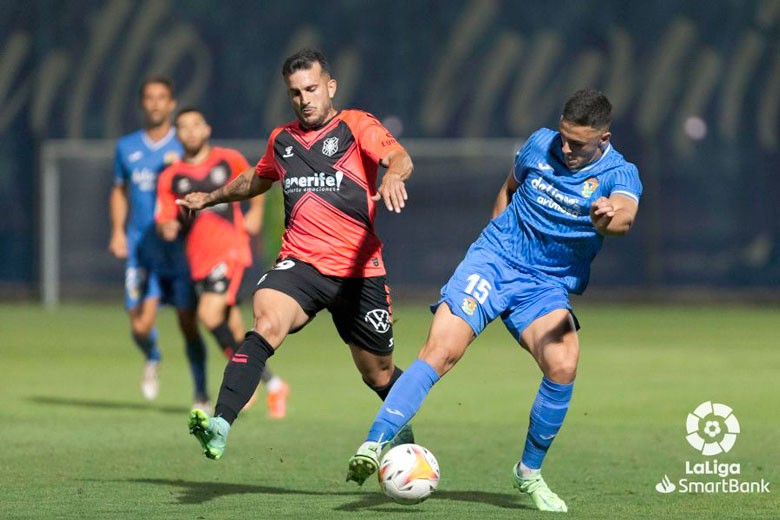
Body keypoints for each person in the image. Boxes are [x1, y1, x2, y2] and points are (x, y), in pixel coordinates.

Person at [346, 89, 642, 513]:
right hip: (494, 262)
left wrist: (607, 217)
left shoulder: (620, 173)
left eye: (577, 143)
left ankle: (529, 474)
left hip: (544, 283)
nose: (566, 148)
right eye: (563, 137)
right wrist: (494, 244)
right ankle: (374, 443)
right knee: (441, 351)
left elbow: (625, 215)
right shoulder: (540, 144)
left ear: (604, 138)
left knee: (564, 363)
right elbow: (508, 188)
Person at [176, 48, 415, 460]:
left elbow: (398, 157)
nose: (305, 99)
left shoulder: (356, 126)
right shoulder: (282, 140)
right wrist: (211, 197)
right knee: (266, 321)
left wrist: (393, 174)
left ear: (330, 87)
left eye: (312, 89)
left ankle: (403, 434)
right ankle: (220, 423)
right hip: (300, 264)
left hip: (359, 273)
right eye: (295, 93)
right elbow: (255, 177)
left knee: (377, 373)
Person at [156, 108, 290, 418]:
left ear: (206, 129)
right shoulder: (170, 176)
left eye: (195, 125)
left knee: (208, 312)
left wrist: (255, 213)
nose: (190, 131)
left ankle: (248, 381)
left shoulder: (227, 159)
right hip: (197, 259)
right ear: (176, 135)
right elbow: (164, 216)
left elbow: (258, 181)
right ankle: (274, 384)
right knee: (231, 326)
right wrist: (167, 227)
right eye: (183, 127)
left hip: (230, 250)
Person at [109, 76, 208, 408]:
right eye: (149, 97)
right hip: (142, 250)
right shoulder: (126, 147)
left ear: (171, 103)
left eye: (161, 97)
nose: (155, 104)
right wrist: (118, 231)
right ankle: (152, 356)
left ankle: (200, 392)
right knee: (140, 325)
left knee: (187, 323)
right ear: (142, 103)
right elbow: (119, 191)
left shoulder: (183, 146)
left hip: (179, 253)